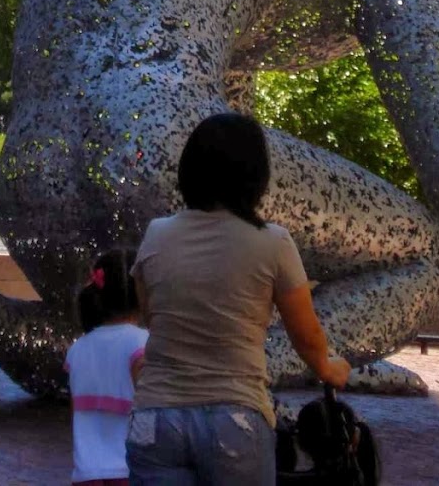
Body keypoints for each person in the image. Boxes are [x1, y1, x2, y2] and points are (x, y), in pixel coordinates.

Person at [126, 112, 350, 486]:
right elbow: (305, 333)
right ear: (255, 175)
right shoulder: (273, 242)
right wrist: (328, 368)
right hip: (236, 416)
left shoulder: (157, 234)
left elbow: (152, 316)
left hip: (157, 415)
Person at [65, 248, 148, 486]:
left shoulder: (77, 350)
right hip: (128, 469)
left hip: (85, 473)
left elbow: (75, 415)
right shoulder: (141, 343)